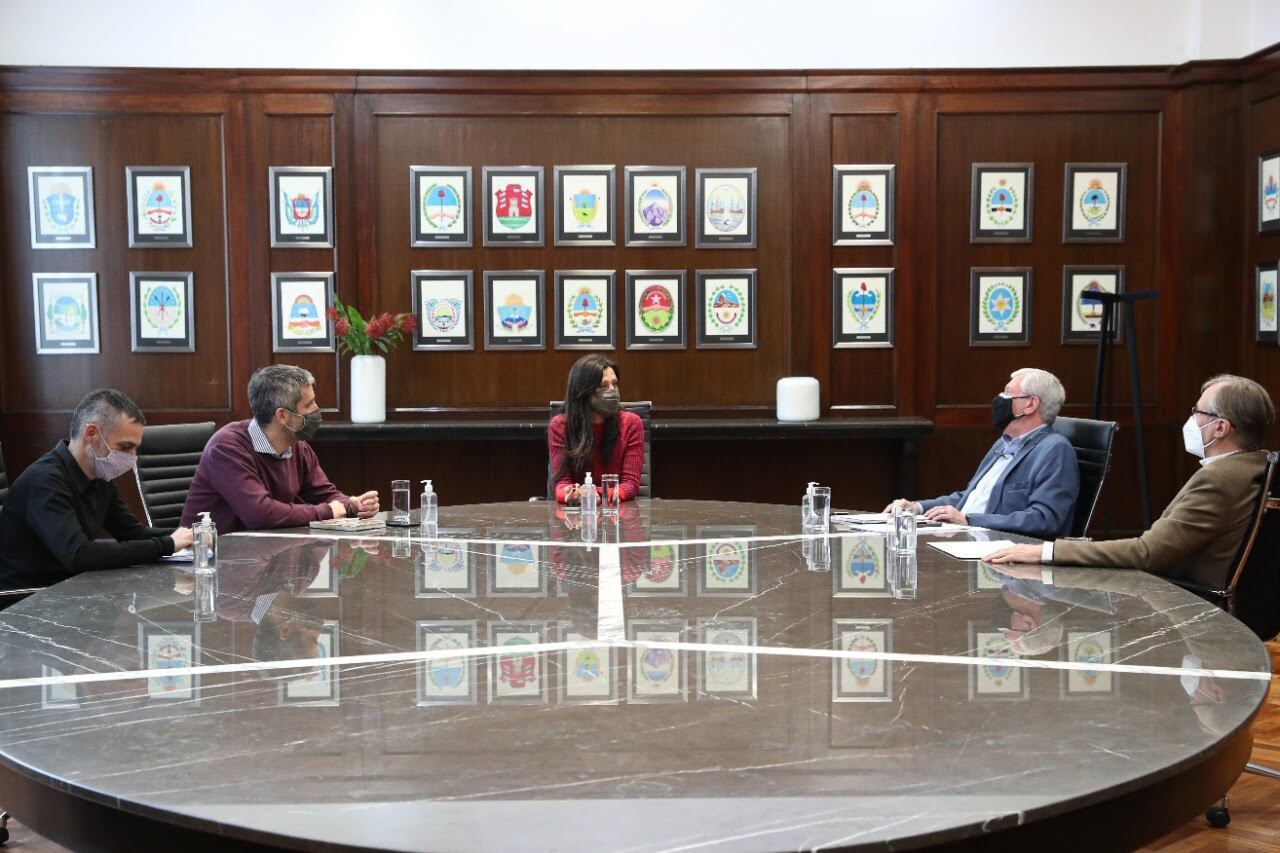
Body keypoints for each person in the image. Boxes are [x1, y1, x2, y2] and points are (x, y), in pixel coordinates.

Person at [984, 374, 1276, 589]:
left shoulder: (1219, 480)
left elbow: (1146, 552)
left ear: (1221, 427)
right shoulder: (1253, 465)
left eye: (1197, 412)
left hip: (1182, 600)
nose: (1192, 419)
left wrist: (1045, 551)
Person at [0, 389, 194, 591]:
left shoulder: (99, 475)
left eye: (135, 448)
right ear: (91, 434)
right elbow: (79, 555)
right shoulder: (44, 481)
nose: (132, 457)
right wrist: (168, 544)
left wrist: (188, 535)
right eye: (125, 446)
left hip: (72, 589)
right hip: (28, 600)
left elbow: (132, 533)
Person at [884, 368, 1079, 539]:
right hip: (966, 538)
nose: (999, 399)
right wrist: (917, 508)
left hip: (1002, 553)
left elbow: (1044, 520)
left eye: (1008, 393)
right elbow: (969, 496)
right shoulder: (1002, 444)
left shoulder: (1055, 450)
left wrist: (968, 519)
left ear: (1030, 404)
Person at [181, 364, 379, 532]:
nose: (317, 409)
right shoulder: (226, 448)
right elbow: (259, 513)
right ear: (283, 415)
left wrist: (351, 505)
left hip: (263, 556)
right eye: (309, 404)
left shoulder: (298, 446)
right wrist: (328, 511)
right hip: (211, 562)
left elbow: (324, 494)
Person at [548, 354, 644, 505]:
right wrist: (569, 494)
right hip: (576, 519)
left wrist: (593, 493)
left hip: (617, 516)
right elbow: (561, 483)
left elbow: (630, 484)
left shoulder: (631, 423)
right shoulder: (560, 425)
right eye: (603, 386)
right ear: (583, 391)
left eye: (614, 384)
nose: (612, 391)